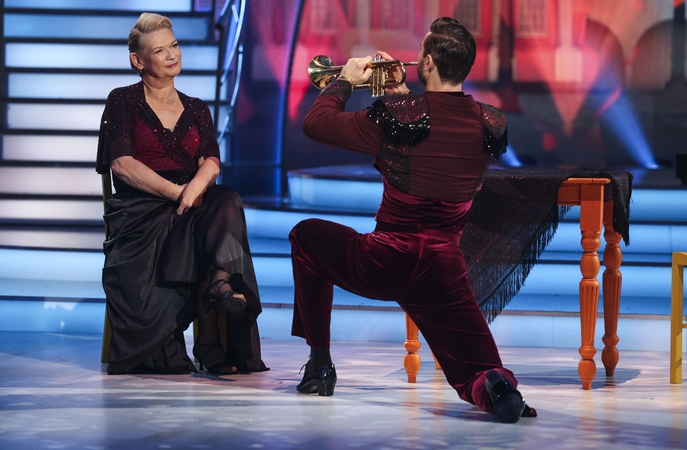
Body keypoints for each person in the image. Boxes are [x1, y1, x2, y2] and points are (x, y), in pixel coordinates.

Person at [291, 17, 536, 423]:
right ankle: (497, 388)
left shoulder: (396, 116)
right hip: (443, 269)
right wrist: (402, 97)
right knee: (475, 368)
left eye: (421, 53)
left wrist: (346, 80)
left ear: (427, 64)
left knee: (306, 236)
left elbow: (315, 124)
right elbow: (437, 132)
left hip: (384, 260)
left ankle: (319, 365)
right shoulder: (491, 123)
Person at [96, 13, 267, 375]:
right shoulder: (123, 101)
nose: (173, 54)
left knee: (224, 198)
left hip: (194, 203)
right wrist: (178, 193)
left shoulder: (196, 107)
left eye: (174, 45)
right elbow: (122, 164)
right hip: (142, 210)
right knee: (212, 216)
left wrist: (192, 191)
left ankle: (219, 287)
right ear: (138, 61)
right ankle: (211, 335)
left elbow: (212, 162)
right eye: (160, 50)